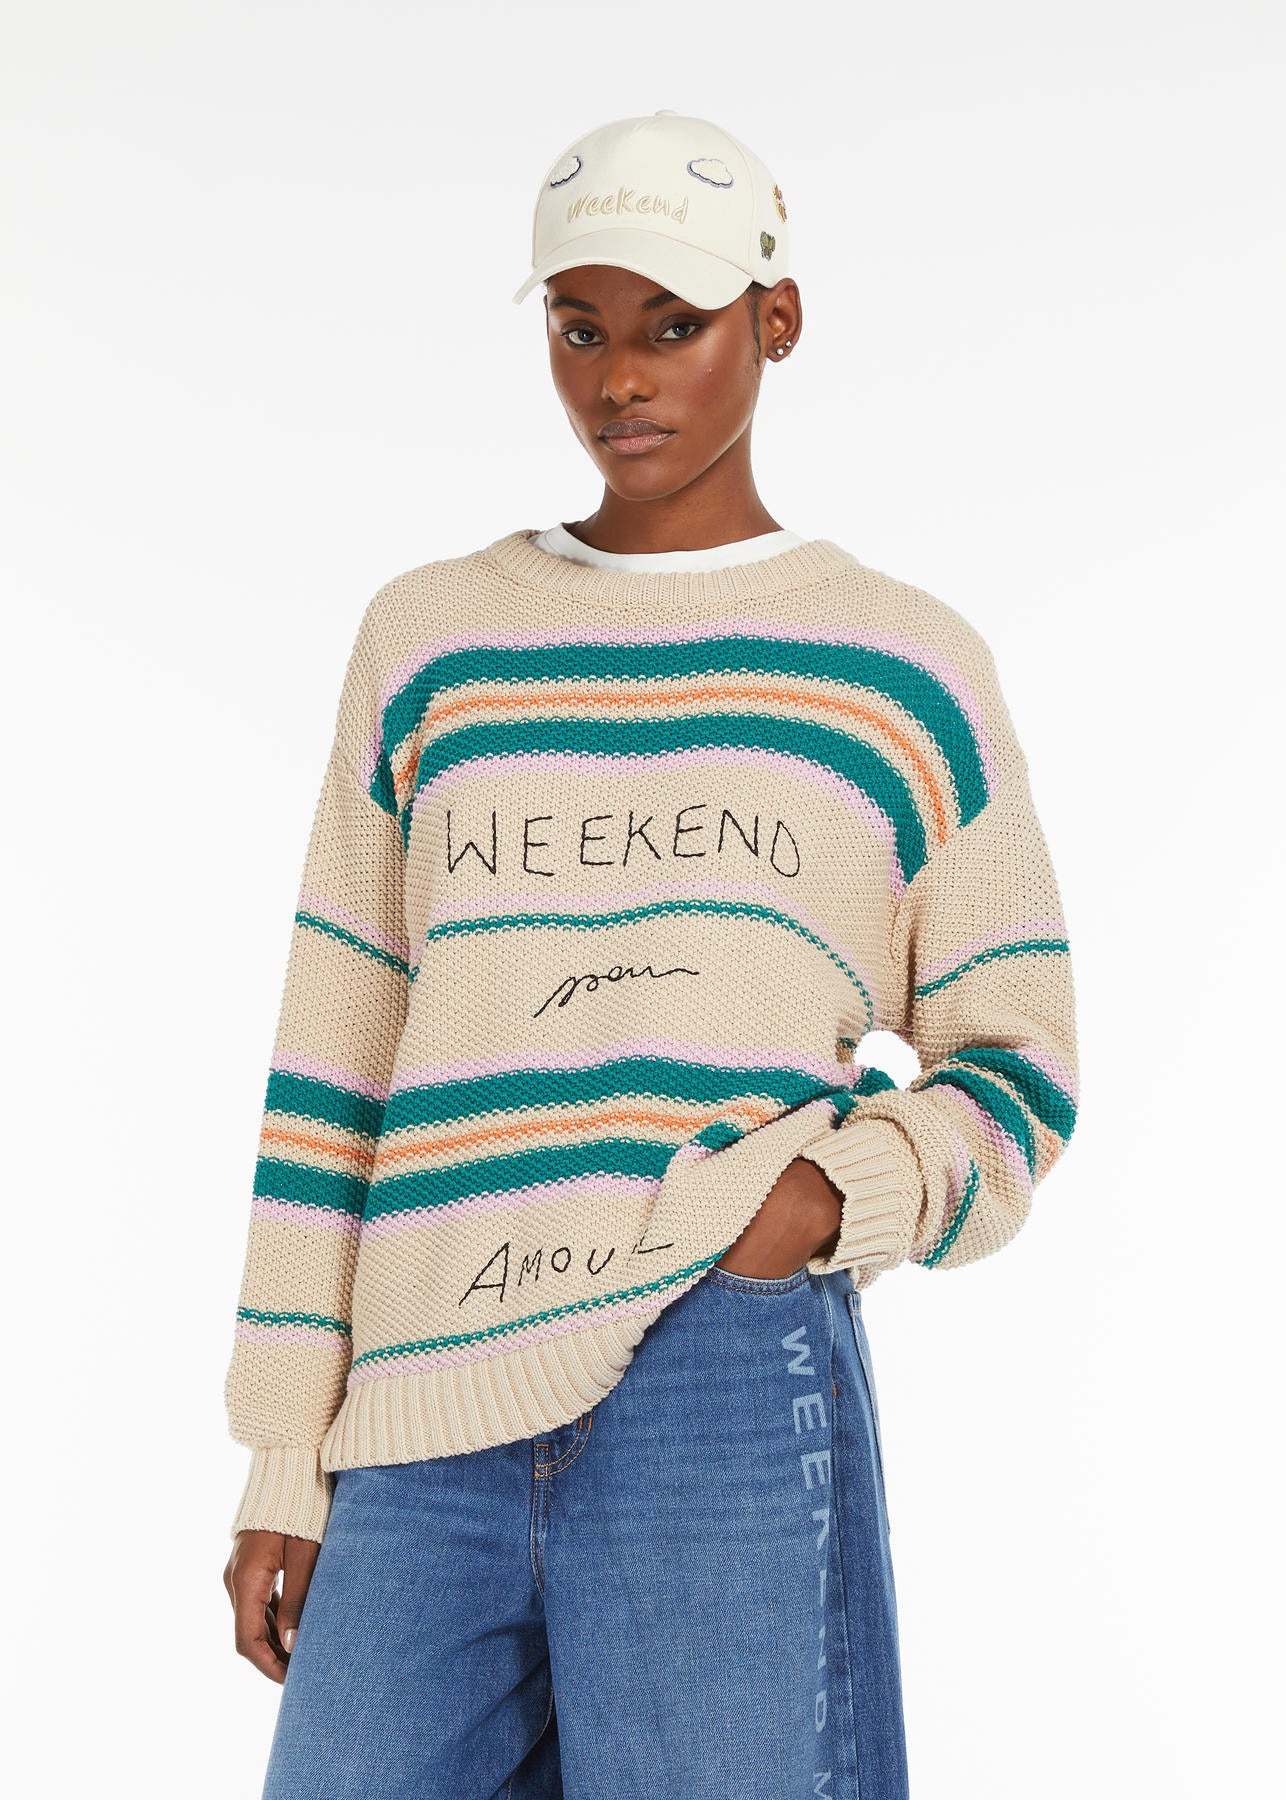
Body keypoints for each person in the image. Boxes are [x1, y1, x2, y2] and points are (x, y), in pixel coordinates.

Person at [222, 109, 1078, 1799]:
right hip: (420, 1402)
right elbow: (335, 1065)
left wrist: (814, 1203)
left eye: (672, 324)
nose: (619, 377)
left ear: (776, 319)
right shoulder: (432, 639)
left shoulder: (895, 664)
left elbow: (1020, 1062)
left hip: (716, 1372)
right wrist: (280, 1454)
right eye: (578, 326)